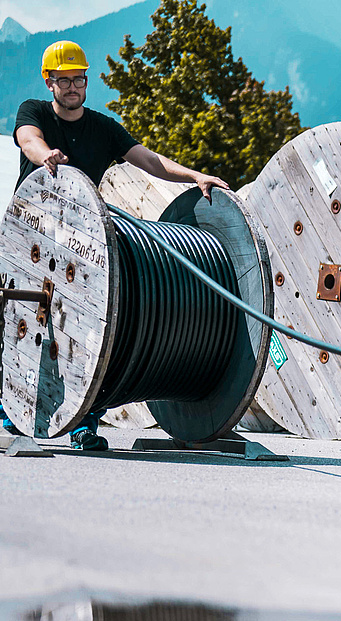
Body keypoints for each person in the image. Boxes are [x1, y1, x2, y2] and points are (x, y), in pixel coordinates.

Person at [0, 39, 229, 451]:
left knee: (89, 333)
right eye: (64, 80)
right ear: (49, 82)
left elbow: (148, 159)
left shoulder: (103, 128)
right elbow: (26, 138)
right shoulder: (33, 111)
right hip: (29, 238)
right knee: (17, 324)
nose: (73, 87)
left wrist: (195, 176)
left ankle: (83, 422)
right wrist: (44, 154)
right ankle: (12, 407)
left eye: (79, 79)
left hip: (83, 248)